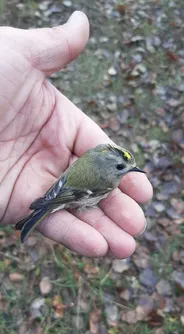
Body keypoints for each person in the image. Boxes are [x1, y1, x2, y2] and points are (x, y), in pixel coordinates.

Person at [0, 11, 153, 258]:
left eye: (127, 167)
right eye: (122, 168)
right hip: (67, 194)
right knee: (56, 206)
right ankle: (38, 215)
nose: (126, 171)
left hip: (61, 187)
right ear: (106, 160)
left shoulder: (94, 157)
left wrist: (50, 197)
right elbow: (74, 193)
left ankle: (35, 216)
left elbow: (66, 180)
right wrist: (51, 201)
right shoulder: (105, 181)